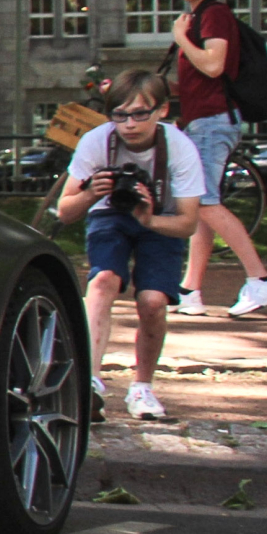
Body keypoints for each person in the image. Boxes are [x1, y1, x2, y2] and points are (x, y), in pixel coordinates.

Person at [59, 69, 205, 420]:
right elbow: (65, 211)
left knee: (153, 301)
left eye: (140, 113)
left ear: (162, 111)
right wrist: (92, 192)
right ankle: (90, 381)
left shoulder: (179, 148)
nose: (129, 124)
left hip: (161, 219)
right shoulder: (97, 141)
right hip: (110, 214)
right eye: (120, 114)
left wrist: (150, 218)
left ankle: (142, 387)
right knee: (103, 280)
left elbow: (188, 223)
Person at [167, 0, 267, 316]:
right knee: (203, 206)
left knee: (203, 202)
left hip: (214, 121)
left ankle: (260, 281)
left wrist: (181, 38)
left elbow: (214, 66)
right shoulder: (199, 17)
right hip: (205, 119)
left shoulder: (214, 15)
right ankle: (190, 291)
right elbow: (196, 81)